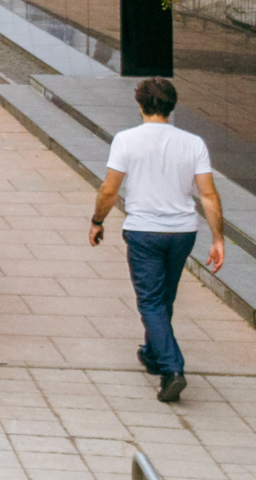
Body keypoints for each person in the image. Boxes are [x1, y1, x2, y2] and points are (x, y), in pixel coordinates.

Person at [90, 75, 225, 402]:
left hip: (144, 231)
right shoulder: (193, 143)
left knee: (150, 300)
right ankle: (152, 353)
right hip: (182, 233)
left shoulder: (126, 140)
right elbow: (208, 195)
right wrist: (218, 239)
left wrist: (97, 220)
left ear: (140, 105)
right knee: (164, 298)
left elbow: (110, 189)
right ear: (171, 106)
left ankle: (172, 368)